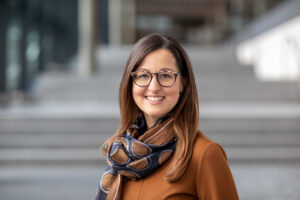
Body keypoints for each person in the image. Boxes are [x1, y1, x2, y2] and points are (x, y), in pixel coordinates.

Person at [95, 33, 239, 200]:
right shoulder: (121, 157)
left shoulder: (205, 155)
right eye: (143, 75)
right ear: (130, 84)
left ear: (183, 84)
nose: (154, 87)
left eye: (165, 75)